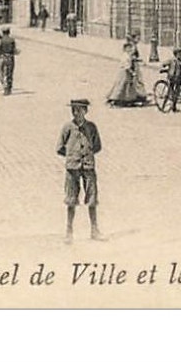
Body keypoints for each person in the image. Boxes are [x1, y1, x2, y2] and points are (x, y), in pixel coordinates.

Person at [56, 98, 102, 242]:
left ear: (86, 111)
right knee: (71, 200)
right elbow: (59, 148)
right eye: (74, 110)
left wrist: (86, 156)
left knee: (92, 199)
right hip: (72, 168)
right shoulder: (67, 128)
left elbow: (97, 146)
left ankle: (94, 230)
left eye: (80, 110)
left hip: (88, 167)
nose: (76, 113)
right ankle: (69, 232)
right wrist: (72, 156)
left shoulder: (91, 127)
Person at [106, 38, 148, 106]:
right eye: (129, 48)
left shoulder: (127, 55)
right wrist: (132, 72)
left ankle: (126, 99)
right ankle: (118, 99)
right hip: (125, 73)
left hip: (124, 72)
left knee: (125, 86)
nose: (130, 50)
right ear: (125, 49)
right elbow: (127, 67)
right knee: (123, 86)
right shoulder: (126, 56)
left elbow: (133, 59)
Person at [162, 47, 181, 112]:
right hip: (172, 77)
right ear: (176, 54)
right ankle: (163, 106)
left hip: (179, 78)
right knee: (170, 92)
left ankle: (174, 106)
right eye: (179, 53)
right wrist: (165, 66)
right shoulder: (172, 60)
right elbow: (164, 63)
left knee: (177, 91)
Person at [0, 26, 18, 95]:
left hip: (2, 57)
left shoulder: (0, 40)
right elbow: (14, 50)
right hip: (10, 58)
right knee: (9, 73)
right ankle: (8, 88)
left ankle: (4, 86)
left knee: (1, 72)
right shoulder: (12, 40)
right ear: (9, 32)